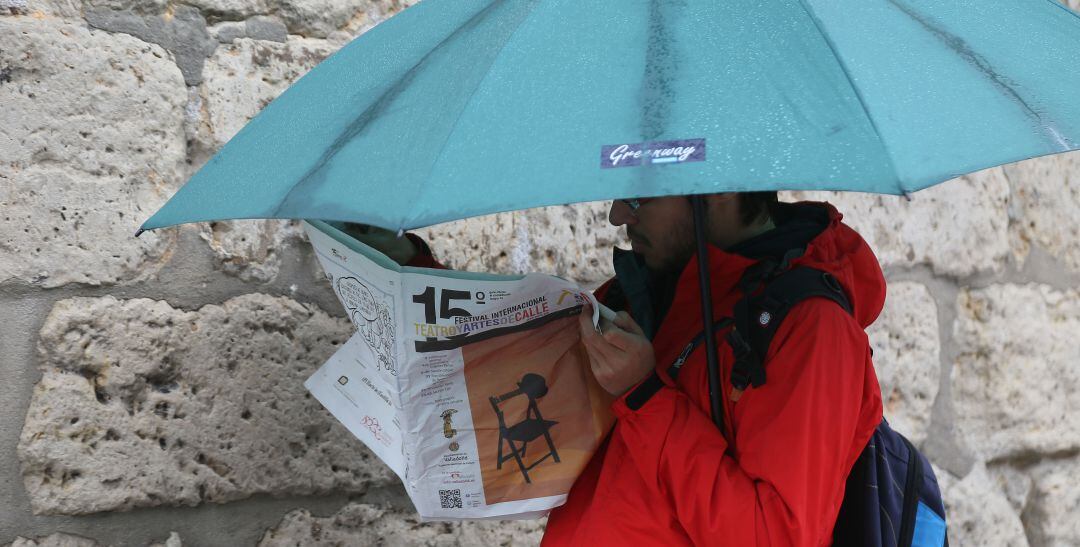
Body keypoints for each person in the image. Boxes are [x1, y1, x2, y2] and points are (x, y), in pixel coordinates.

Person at [346, 193, 884, 545]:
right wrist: (403, 267)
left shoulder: (810, 327)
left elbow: (775, 537)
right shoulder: (649, 293)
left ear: (715, 187)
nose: (618, 216)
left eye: (640, 196)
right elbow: (508, 370)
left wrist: (645, 395)